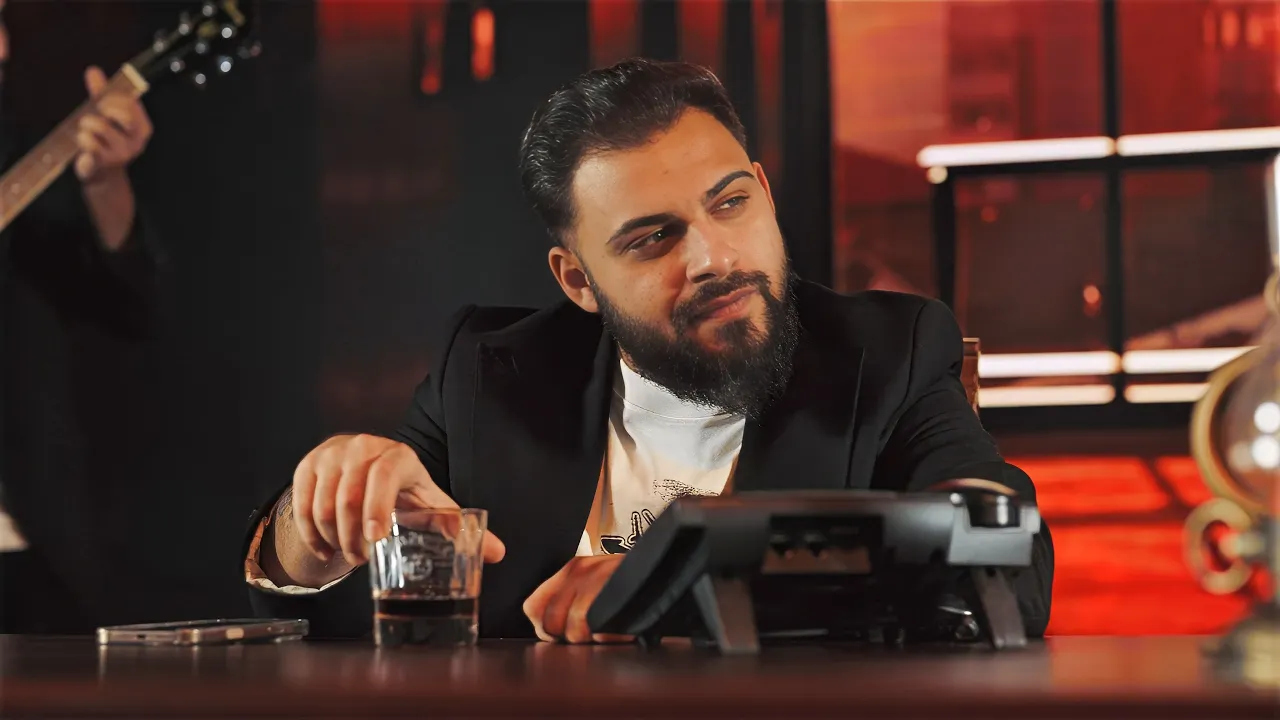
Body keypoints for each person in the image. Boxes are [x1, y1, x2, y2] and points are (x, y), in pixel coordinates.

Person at [243, 58, 1054, 643]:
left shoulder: (888, 353)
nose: (713, 257)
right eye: (651, 239)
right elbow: (347, 604)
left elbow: (1001, 556)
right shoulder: (489, 374)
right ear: (579, 280)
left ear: (766, 194)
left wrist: (680, 586)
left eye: (730, 203)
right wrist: (309, 531)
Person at [0, 0, 162, 633]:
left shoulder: (12, 142)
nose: (3, 49)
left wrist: (104, 183)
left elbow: (128, 306)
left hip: (27, 554)